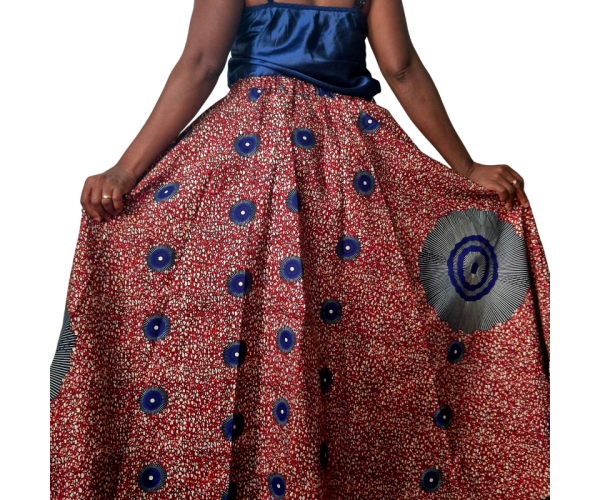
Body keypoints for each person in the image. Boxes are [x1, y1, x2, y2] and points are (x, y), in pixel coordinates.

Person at [50, 0, 550, 498]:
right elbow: (400, 68)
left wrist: (125, 171)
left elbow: (201, 64)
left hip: (250, 158)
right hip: (348, 170)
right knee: (353, 338)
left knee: (227, 329)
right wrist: (466, 168)